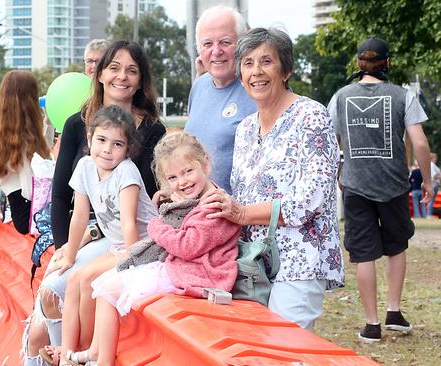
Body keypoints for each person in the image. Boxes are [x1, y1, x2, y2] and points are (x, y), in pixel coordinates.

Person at [26, 40, 165, 366]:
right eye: (114, 67)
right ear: (100, 73)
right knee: (44, 313)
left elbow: (141, 210)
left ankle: (71, 356)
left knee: (64, 289)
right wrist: (65, 249)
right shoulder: (77, 124)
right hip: (88, 233)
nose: (122, 76)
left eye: (132, 70)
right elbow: (62, 196)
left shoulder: (152, 131)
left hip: (124, 237)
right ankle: (64, 355)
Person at [52, 132, 240, 366]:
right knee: (103, 286)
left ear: (205, 163)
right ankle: (93, 353)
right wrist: (171, 203)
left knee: (108, 290)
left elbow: (186, 246)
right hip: (181, 266)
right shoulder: (197, 197)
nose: (182, 182)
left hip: (198, 274)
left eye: (188, 171)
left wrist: (156, 223)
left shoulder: (215, 205)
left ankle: (101, 360)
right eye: (173, 177)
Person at [202, 27, 344, 332]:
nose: (257, 72)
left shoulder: (311, 116)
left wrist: (241, 212)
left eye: (266, 62)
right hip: (254, 265)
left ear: (286, 69)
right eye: (248, 63)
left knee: (283, 348)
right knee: (254, 348)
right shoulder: (245, 128)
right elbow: (240, 193)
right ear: (240, 74)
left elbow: (313, 198)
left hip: (300, 260)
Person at [327, 38, 433, 343]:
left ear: (358, 64)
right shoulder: (403, 95)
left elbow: (330, 143)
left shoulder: (340, 97)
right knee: (396, 246)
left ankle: (371, 325)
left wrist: (338, 176)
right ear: (387, 62)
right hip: (395, 185)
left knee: (364, 255)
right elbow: (421, 143)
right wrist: (426, 180)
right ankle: (394, 312)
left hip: (356, 186)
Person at [45, 105, 157, 365]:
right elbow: (80, 215)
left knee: (87, 281)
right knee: (73, 278)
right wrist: (69, 256)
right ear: (89, 139)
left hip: (144, 246)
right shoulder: (85, 166)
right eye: (102, 140)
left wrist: (131, 266)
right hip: (119, 246)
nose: (107, 149)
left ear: (128, 148)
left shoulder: (126, 171)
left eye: (117, 144)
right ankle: (66, 353)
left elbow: (129, 223)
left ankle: (83, 352)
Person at [185, 5, 256, 194]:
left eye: (225, 42)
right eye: (207, 44)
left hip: (242, 215)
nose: (216, 51)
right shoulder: (199, 87)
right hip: (200, 214)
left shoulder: (259, 90)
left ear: (243, 44)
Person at [0, 70, 52, 235]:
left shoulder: (3, 132)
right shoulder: (23, 138)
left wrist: (48, 123)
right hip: (27, 211)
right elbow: (30, 181)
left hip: (15, 203)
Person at [426, 153, 441, 217]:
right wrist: (440, 176)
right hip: (434, 184)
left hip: (434, 184)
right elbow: (434, 176)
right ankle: (429, 214)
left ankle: (429, 213)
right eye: (435, 158)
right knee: (431, 200)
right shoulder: (431, 165)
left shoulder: (432, 165)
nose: (436, 159)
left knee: (432, 200)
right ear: (432, 158)